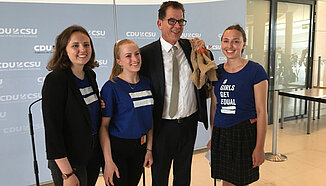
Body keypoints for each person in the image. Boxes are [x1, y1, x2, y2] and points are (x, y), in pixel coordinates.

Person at [139, 1, 211, 185]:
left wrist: (203, 50)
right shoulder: (145, 55)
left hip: (189, 123)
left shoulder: (190, 48)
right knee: (160, 177)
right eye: (171, 21)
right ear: (159, 23)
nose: (177, 26)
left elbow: (206, 70)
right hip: (161, 127)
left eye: (181, 21)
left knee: (183, 175)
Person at [42, 25, 103, 186]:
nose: (82, 49)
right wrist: (67, 174)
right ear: (64, 50)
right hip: (69, 162)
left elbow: (86, 111)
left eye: (86, 44)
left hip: (91, 156)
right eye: (75, 45)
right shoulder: (56, 80)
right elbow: (53, 131)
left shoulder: (90, 74)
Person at [208, 24, 268, 186]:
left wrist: (260, 147)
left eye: (235, 41)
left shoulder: (255, 71)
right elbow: (214, 107)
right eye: (226, 41)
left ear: (243, 44)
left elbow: (262, 112)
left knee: (240, 181)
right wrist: (213, 136)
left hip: (243, 133)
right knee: (226, 180)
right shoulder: (217, 71)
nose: (230, 46)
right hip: (221, 134)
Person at [99, 39, 153, 186]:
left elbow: (149, 120)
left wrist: (149, 149)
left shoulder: (147, 83)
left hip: (140, 148)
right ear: (119, 61)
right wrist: (108, 161)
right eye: (128, 56)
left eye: (137, 54)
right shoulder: (111, 87)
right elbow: (103, 127)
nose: (135, 59)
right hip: (118, 150)